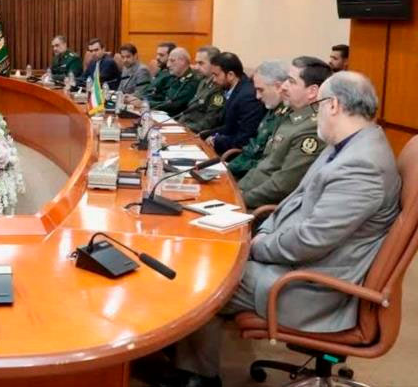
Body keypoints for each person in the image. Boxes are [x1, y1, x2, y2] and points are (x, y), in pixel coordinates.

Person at [163, 71, 400, 387]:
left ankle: (200, 377)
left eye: (318, 105)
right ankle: (187, 362)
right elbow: (294, 201)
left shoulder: (362, 165)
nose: (314, 113)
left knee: (204, 277)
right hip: (296, 261)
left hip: (312, 286)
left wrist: (257, 247)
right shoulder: (346, 146)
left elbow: (311, 240)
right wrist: (262, 234)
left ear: (333, 105)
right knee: (208, 254)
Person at [238, 57, 332, 209]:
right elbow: (265, 164)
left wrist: (239, 199)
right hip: (248, 192)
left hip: (262, 207)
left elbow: (282, 185)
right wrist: (237, 188)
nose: (283, 87)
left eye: (291, 82)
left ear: (312, 91)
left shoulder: (311, 128)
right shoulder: (291, 114)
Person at [226, 61, 290, 179]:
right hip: (244, 172)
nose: (257, 96)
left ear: (278, 86)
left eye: (261, 90)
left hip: (254, 178)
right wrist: (229, 166)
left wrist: (232, 167)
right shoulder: (273, 108)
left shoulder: (287, 117)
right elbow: (252, 148)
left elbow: (267, 164)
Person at [204, 52, 266, 154]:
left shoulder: (248, 96)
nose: (213, 80)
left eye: (216, 75)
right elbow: (229, 126)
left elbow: (245, 138)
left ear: (231, 75)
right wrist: (205, 135)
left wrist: (217, 140)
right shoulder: (235, 89)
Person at [179, 46, 225, 133]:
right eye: (196, 63)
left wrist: (184, 128)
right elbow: (190, 110)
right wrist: (178, 124)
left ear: (214, 64)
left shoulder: (218, 88)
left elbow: (209, 122)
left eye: (201, 63)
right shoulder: (203, 81)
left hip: (196, 133)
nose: (196, 67)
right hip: (186, 127)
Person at [147, 47, 200, 116]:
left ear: (183, 61)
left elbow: (175, 105)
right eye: (168, 61)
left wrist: (147, 104)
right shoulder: (174, 77)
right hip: (166, 116)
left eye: (172, 61)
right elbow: (163, 96)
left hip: (178, 119)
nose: (168, 65)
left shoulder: (193, 81)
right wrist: (145, 101)